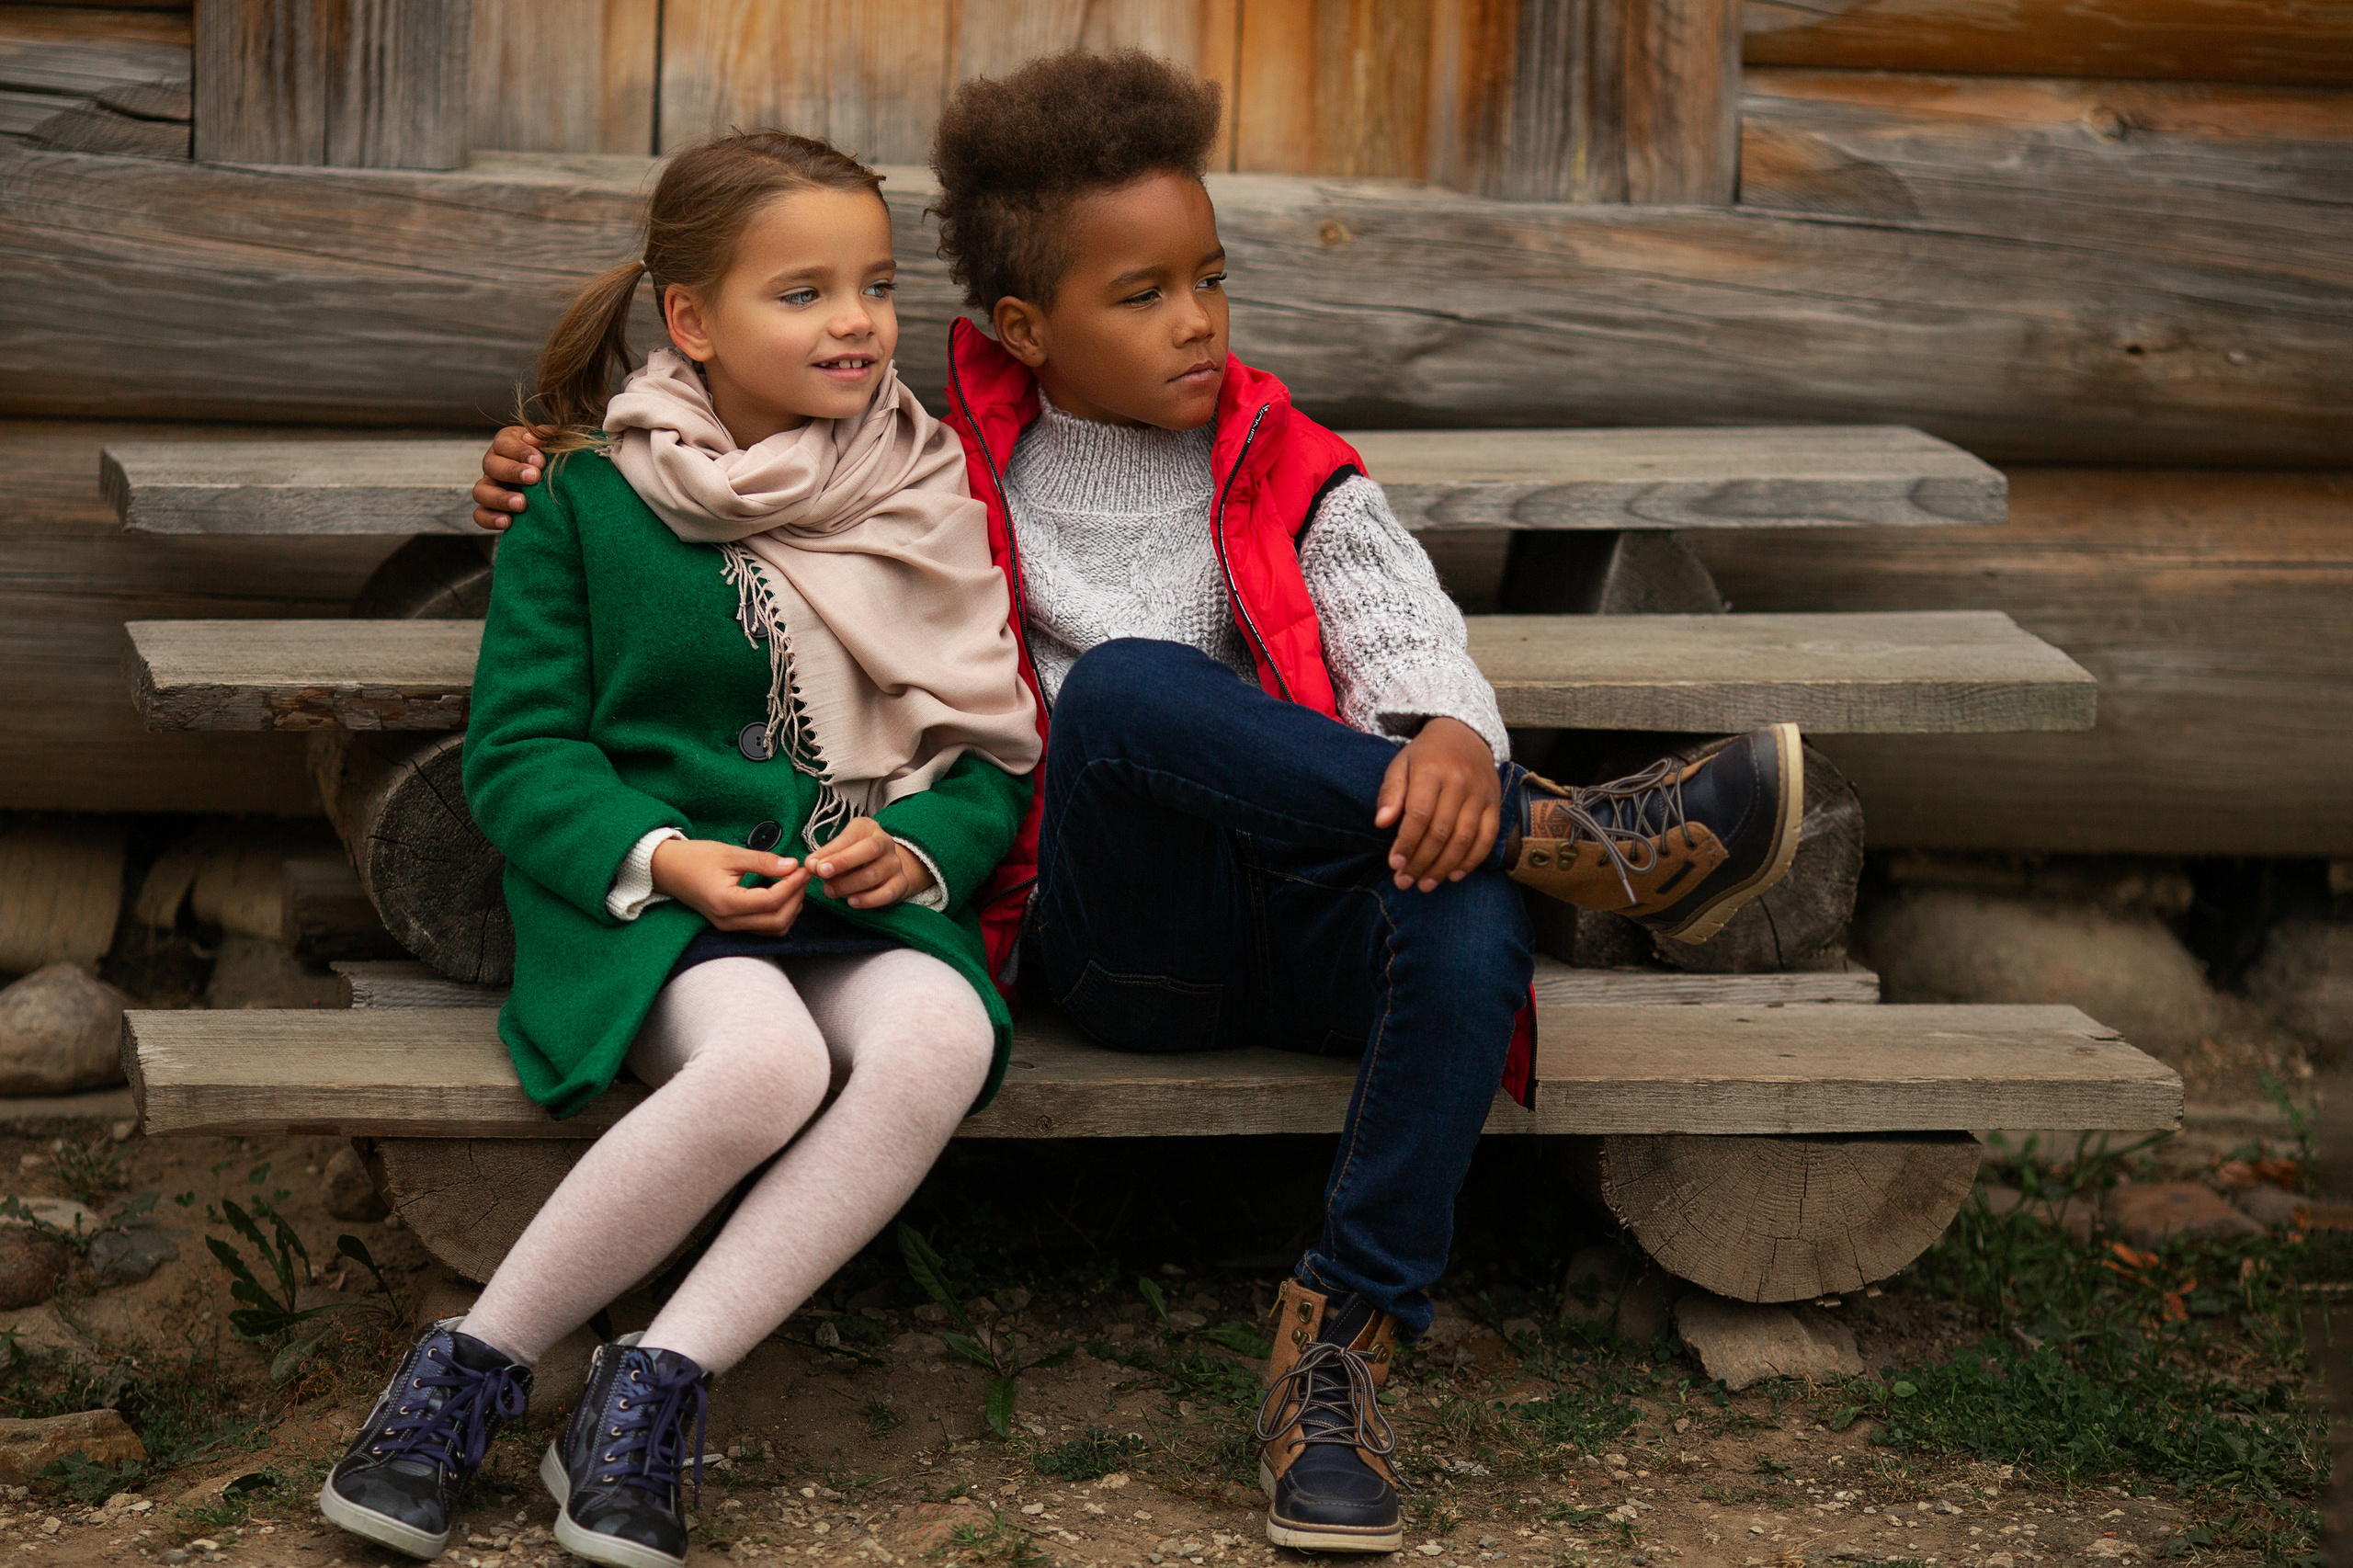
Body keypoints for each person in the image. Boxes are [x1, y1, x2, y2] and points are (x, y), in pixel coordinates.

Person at [472, 53, 1799, 1556]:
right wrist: (538, 464)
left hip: (1309, 910)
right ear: (1027, 328)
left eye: (1211, 279)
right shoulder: (933, 451)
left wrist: (1442, 735)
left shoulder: (1283, 456)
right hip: (1120, 930)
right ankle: (1565, 831)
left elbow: (1401, 628)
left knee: (1470, 888)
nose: (1197, 320)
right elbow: (736, 433)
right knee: (1124, 690)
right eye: (1145, 292)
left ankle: (1340, 1344)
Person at [322, 131, 1037, 1568]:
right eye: (803, 292)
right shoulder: (585, 498)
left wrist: (922, 845)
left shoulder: (923, 481)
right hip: (654, 901)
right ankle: (472, 1368)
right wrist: (666, 856)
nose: (855, 321)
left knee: (938, 1038)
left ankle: (653, 1384)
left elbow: (989, 736)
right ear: (693, 319)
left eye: (877, 286)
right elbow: (520, 753)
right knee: (765, 1060)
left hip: (850, 883)